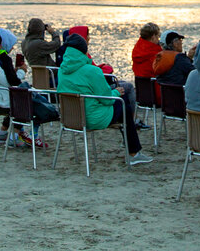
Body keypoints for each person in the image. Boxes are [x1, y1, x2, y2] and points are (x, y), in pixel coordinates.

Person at [56, 32, 152, 165]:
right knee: (123, 104)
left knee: (119, 106)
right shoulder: (92, 71)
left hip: (71, 118)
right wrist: (116, 92)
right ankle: (133, 153)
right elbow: (107, 99)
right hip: (91, 119)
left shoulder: (61, 70)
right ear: (84, 51)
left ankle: (130, 144)